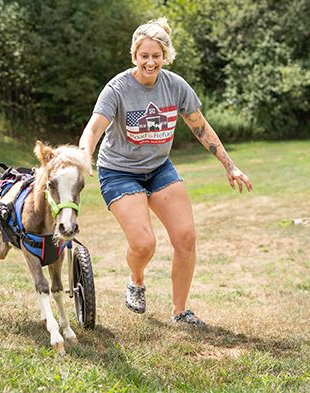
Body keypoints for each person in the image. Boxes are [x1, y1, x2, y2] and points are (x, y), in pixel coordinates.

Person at [79, 17, 253, 326]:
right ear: (135, 55)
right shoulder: (117, 88)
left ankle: (180, 312)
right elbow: (94, 128)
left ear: (165, 56)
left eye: (156, 56)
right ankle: (136, 279)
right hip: (119, 171)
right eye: (143, 56)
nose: (150, 62)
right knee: (144, 244)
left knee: (186, 238)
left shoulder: (175, 86)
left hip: (159, 168)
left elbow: (200, 127)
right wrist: (84, 157)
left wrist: (230, 164)